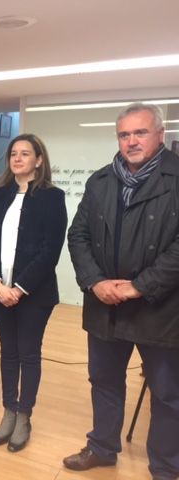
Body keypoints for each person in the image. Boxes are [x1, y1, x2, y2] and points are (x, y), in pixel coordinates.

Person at [64, 103, 179, 480]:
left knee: (167, 394)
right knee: (104, 381)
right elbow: (78, 235)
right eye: (124, 134)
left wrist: (138, 287)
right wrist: (95, 281)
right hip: (105, 305)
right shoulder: (100, 181)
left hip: (160, 309)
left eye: (140, 132)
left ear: (160, 134)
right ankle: (102, 447)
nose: (132, 141)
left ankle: (165, 466)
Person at [0, 134, 67, 452]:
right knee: (8, 352)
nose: (17, 158)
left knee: (28, 353)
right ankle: (8, 410)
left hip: (34, 294)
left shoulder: (52, 197)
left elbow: (50, 250)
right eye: (13, 153)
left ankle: (24, 415)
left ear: (38, 160)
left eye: (25, 153)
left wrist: (18, 289)